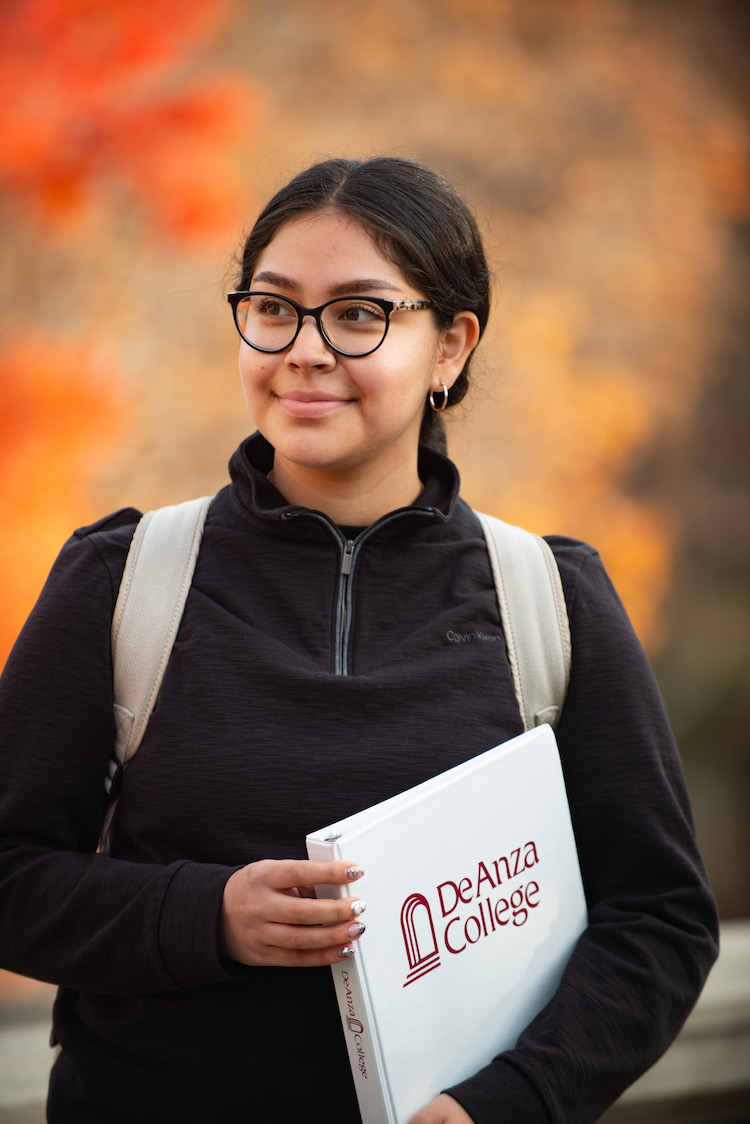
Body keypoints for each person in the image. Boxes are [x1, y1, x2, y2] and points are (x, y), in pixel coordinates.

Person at [0, 156, 718, 1123]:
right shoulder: (123, 580)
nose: (304, 350)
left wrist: (508, 1103)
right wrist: (207, 917)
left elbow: (660, 921)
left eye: (357, 314)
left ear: (450, 347)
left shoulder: (552, 600)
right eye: (274, 308)